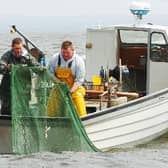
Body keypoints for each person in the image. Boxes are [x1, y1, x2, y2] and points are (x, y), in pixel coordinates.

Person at [48, 40, 87, 116]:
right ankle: (51, 121)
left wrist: (70, 91)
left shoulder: (79, 61)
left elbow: (79, 80)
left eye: (67, 53)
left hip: (74, 89)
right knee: (52, 102)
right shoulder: (54, 59)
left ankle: (83, 120)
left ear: (73, 51)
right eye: (63, 53)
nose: (65, 55)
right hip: (59, 87)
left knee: (78, 98)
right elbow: (50, 74)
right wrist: (58, 83)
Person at [0, 37, 28, 115]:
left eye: (20, 48)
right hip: (7, 89)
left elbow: (36, 65)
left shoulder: (26, 56)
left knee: (22, 110)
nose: (18, 51)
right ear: (12, 47)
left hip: (22, 89)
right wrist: (7, 67)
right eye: (16, 48)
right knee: (6, 111)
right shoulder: (7, 55)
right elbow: (1, 66)